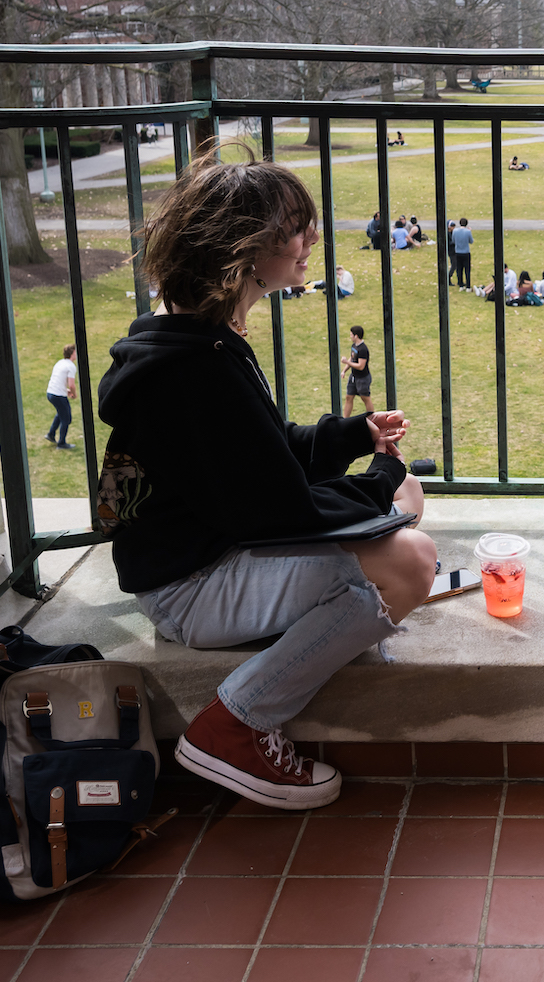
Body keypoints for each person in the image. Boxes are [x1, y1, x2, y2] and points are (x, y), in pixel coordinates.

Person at [96, 144, 434, 809]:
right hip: (188, 586)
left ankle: (319, 619)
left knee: (403, 503)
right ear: (243, 250)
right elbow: (280, 509)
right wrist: (383, 470)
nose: (310, 240)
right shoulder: (197, 369)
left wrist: (353, 437)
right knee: (411, 562)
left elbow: (261, 457)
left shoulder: (190, 336)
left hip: (200, 550)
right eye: (294, 229)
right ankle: (236, 722)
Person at [45, 343, 78, 450]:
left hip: (51, 393)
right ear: (72, 353)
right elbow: (71, 384)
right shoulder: (71, 366)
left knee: (61, 413)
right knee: (66, 418)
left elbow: (58, 379)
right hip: (58, 395)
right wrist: (74, 393)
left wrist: (66, 390)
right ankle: (61, 443)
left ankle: (51, 434)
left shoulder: (60, 363)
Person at [342, 326, 374, 414]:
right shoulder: (354, 346)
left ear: (356, 336)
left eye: (351, 335)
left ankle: (372, 418)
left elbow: (360, 366)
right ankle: (345, 421)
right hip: (354, 377)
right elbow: (352, 359)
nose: (350, 336)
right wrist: (344, 370)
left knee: (365, 398)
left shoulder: (363, 349)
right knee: (349, 397)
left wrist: (346, 362)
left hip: (362, 378)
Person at [450, 218, 473, 288]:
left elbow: (453, 240)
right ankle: (468, 286)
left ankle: (461, 284)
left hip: (458, 252)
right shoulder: (468, 232)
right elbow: (471, 241)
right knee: (467, 270)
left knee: (459, 269)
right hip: (466, 252)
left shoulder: (455, 231)